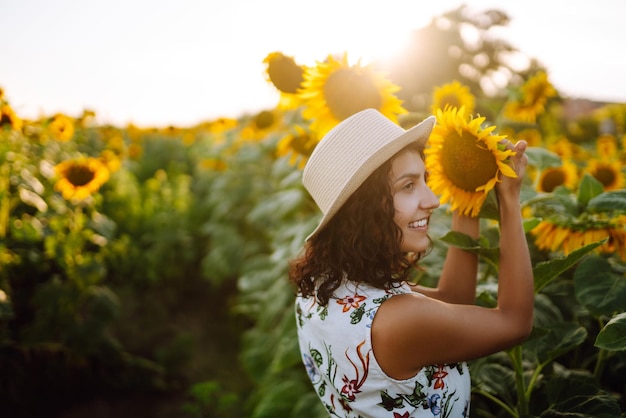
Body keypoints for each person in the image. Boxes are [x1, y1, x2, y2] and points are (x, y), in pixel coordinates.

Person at [289, 108, 533, 417]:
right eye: (408, 186)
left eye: (424, 179)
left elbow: (452, 303)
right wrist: (509, 200)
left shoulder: (324, 285)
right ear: (363, 210)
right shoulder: (397, 321)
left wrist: (466, 187)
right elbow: (515, 323)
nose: (432, 200)